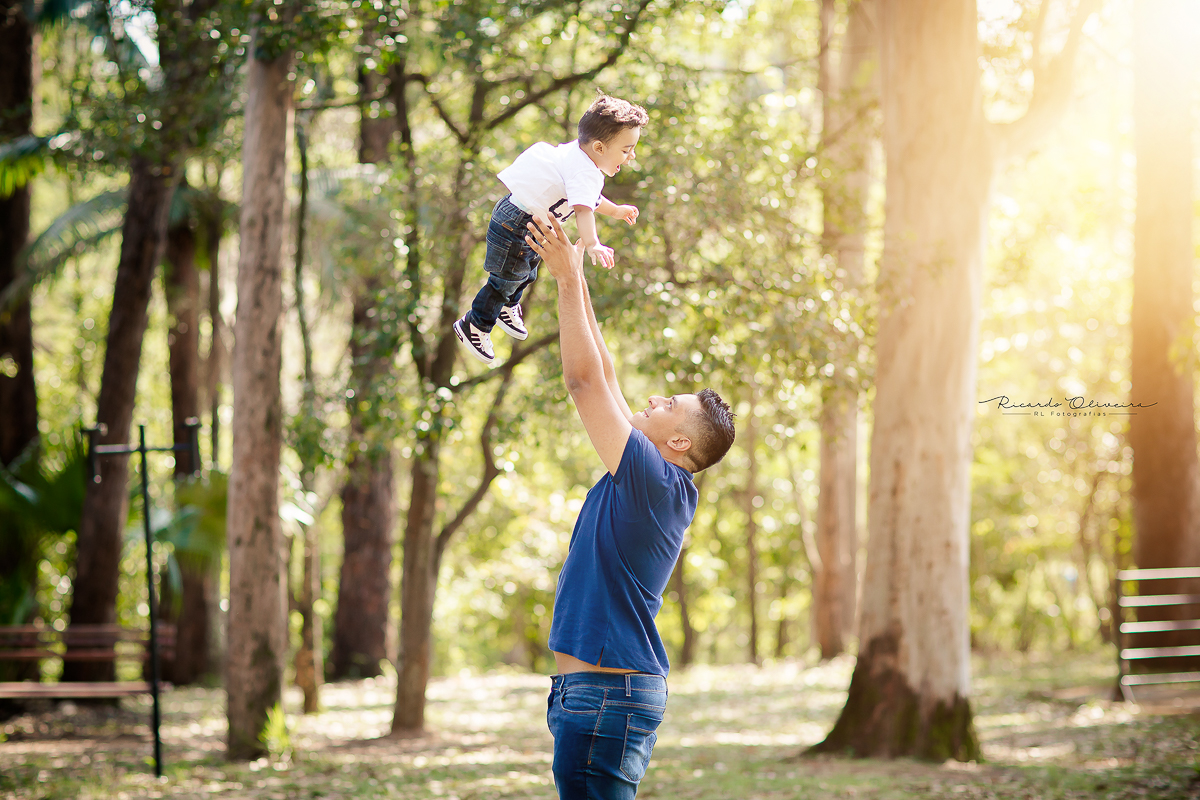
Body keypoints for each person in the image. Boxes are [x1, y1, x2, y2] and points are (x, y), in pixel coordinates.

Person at [526, 214, 736, 799]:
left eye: (669, 402)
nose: (651, 398)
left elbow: (586, 384)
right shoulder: (653, 478)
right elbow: (608, 374)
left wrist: (567, 282)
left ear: (679, 443)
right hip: (592, 696)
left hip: (605, 699)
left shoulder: (654, 483)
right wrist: (574, 272)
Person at [454, 94, 648, 366]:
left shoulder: (578, 157)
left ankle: (507, 307)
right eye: (626, 150)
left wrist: (615, 210)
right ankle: (475, 325)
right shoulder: (586, 172)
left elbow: (588, 198)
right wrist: (592, 244)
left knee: (526, 272)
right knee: (505, 280)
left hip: (521, 219)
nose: (631, 157)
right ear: (600, 148)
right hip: (518, 223)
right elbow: (583, 209)